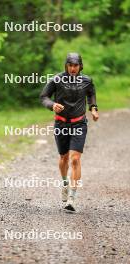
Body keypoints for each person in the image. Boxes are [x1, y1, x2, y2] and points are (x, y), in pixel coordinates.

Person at [40, 52, 99, 211]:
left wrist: (93, 108)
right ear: (66, 65)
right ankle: (65, 183)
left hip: (79, 124)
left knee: (74, 159)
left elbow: (91, 94)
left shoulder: (87, 81)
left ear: (80, 66)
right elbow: (44, 96)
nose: (73, 68)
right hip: (61, 124)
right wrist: (52, 105)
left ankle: (71, 199)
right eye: (70, 65)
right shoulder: (57, 80)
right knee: (64, 158)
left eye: (76, 65)